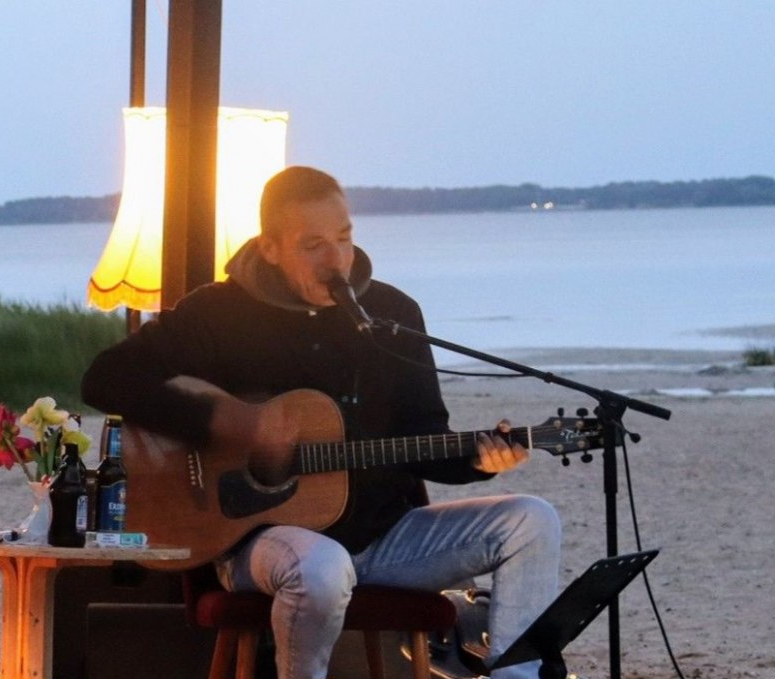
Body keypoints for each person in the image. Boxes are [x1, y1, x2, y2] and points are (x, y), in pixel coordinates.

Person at [81, 166, 560, 679]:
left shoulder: (391, 314)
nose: (336, 260)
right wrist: (227, 421)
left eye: (344, 238)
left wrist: (481, 460)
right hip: (261, 543)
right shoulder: (218, 313)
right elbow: (106, 379)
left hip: (385, 538)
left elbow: (426, 433)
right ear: (269, 247)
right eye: (313, 245)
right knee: (323, 566)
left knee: (533, 520)